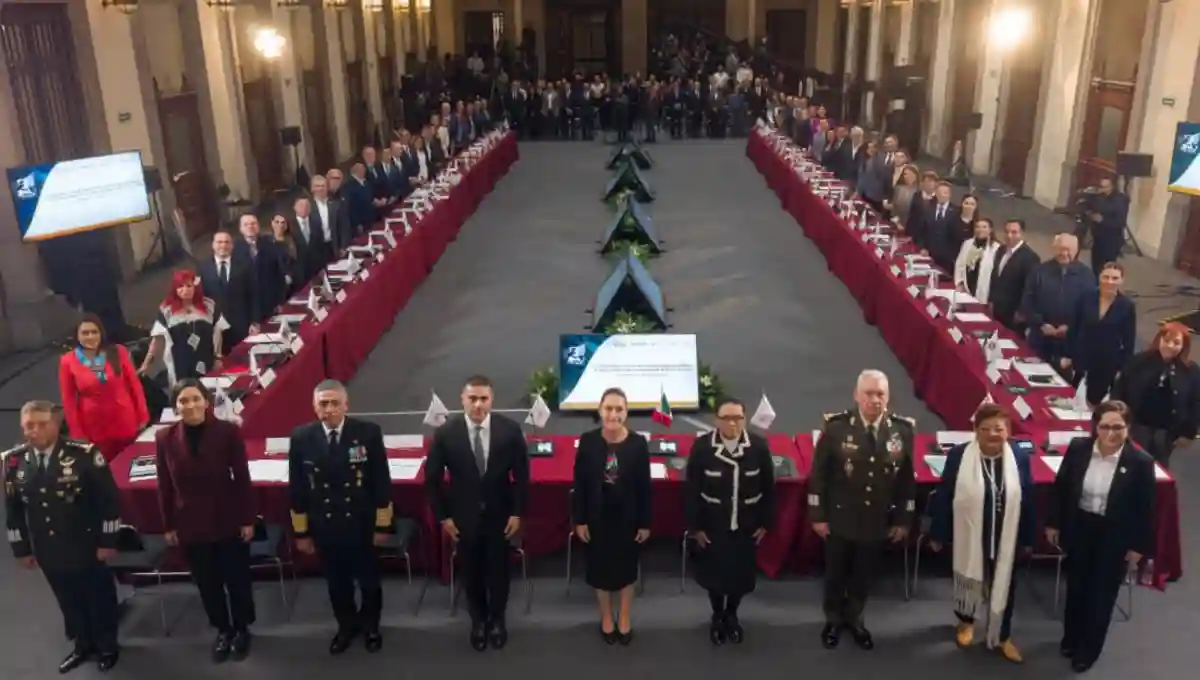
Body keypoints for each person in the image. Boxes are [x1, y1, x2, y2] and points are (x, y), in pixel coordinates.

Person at [4, 401, 121, 673]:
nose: (34, 431)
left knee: (97, 596)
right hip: (47, 547)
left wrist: (108, 540)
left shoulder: (83, 454)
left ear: (55, 425)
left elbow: (108, 500)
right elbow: (13, 509)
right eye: (28, 426)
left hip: (85, 543)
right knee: (67, 598)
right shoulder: (15, 461)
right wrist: (21, 549)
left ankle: (107, 646)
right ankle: (82, 644)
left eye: (41, 424)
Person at [1044, 401, 1156, 673]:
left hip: (1115, 534)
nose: (1111, 433)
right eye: (1105, 427)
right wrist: (1053, 523)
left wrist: (1138, 546)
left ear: (1128, 428)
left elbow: (1145, 508)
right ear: (1095, 426)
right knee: (1076, 587)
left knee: (1102, 595)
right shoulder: (1079, 449)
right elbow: (1061, 488)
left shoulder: (1141, 462)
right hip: (1080, 526)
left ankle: (1088, 650)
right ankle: (1071, 639)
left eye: (1118, 427)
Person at [809, 369, 915, 650]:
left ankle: (855, 618)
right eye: (868, 393)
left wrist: (903, 519)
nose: (874, 400)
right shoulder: (836, 429)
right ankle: (833, 619)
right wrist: (818, 516)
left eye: (880, 394)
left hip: (876, 519)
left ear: (888, 397)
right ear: (856, 395)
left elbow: (906, 480)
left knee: (863, 575)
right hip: (840, 517)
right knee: (835, 574)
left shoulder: (902, 431)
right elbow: (818, 476)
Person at [425, 375, 530, 652]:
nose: (478, 405)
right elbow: (432, 481)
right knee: (471, 573)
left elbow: (522, 477)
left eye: (484, 399)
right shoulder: (446, 433)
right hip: (463, 518)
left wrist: (517, 513)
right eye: (472, 399)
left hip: (501, 516)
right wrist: (444, 517)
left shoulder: (510, 430)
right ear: (462, 399)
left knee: (499, 571)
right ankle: (478, 621)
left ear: (492, 400)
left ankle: (497, 619)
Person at [288, 380, 394, 655]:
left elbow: (381, 482)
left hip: (362, 523)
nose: (330, 409)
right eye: (323, 404)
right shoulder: (301, 437)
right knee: (337, 584)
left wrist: (383, 525)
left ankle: (371, 626)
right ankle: (346, 627)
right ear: (314, 407)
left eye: (335, 403)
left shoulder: (368, 433)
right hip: (325, 525)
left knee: (369, 582)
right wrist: (302, 532)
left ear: (346, 405)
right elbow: (297, 488)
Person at [155, 379, 257, 662]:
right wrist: (168, 524)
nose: (190, 406)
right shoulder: (164, 438)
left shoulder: (227, 432)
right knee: (207, 582)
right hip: (190, 523)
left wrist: (247, 519)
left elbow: (242, 478)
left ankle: (242, 628)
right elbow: (164, 484)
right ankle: (223, 630)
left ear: (206, 401)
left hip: (227, 517)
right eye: (183, 401)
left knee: (237, 579)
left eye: (195, 399)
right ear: (175, 406)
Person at [927, 403, 1034, 664]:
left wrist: (1028, 538)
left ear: (1008, 431)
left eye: (998, 428)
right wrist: (938, 532)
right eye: (985, 429)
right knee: (970, 579)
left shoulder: (1019, 457)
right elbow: (945, 495)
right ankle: (966, 622)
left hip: (1006, 536)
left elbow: (1028, 499)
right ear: (975, 430)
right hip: (972, 534)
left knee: (1006, 586)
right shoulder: (959, 455)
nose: (992, 434)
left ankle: (1003, 635)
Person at [685, 397, 776, 646]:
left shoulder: (758, 447)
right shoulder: (703, 448)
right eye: (727, 418)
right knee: (714, 579)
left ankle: (732, 615)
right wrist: (696, 527)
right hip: (713, 527)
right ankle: (717, 616)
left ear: (745, 419)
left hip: (746, 528)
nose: (733, 423)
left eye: (738, 418)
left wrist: (765, 523)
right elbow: (692, 490)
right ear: (717, 420)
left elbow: (769, 488)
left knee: (739, 579)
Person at [571, 388, 652, 645]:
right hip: (597, 518)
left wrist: (645, 522)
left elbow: (644, 487)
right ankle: (606, 617)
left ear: (626, 412)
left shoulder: (638, 444)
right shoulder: (588, 441)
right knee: (600, 572)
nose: (613, 414)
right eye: (609, 408)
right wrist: (579, 520)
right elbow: (580, 484)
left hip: (627, 520)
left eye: (619, 409)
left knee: (627, 571)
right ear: (600, 410)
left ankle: (624, 616)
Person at [58, 314, 148, 461]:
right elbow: (68, 400)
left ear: (101, 333)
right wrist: (77, 432)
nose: (90, 337)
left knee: (129, 464)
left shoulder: (118, 352)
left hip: (124, 420)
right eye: (85, 333)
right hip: (94, 427)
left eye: (94, 332)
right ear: (77, 336)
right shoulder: (67, 361)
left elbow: (134, 385)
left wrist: (143, 415)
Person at [1109, 322, 1200, 467]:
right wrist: (1116, 417)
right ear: (1159, 339)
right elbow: (1120, 387)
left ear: (1184, 346)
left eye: (1176, 343)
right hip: (1137, 426)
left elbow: (1195, 403)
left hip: (1166, 433)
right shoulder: (1140, 361)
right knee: (1130, 464)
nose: (1169, 346)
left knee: (1158, 468)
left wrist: (1189, 433)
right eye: (1166, 340)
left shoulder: (1191, 371)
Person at [1063, 262, 1137, 405]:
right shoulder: (1086, 297)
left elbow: (1129, 341)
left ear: (1122, 280)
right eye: (1106, 277)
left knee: (1095, 403)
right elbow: (1074, 328)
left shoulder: (1127, 306)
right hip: (1082, 357)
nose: (1110, 282)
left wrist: (1122, 369)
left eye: (1115, 278)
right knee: (1072, 400)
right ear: (1099, 277)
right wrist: (1068, 355)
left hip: (1106, 363)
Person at [140, 269, 230, 384]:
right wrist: (146, 363)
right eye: (180, 286)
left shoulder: (209, 306)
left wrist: (218, 357)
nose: (185, 290)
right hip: (179, 365)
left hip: (207, 361)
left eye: (189, 286)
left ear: (195, 287)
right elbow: (157, 339)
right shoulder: (166, 310)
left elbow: (218, 332)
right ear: (175, 289)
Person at [953, 218, 1001, 304]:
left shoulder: (996, 248)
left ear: (990, 230)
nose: (980, 229)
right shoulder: (967, 243)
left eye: (984, 227)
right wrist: (960, 282)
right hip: (967, 286)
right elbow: (960, 264)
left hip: (984, 290)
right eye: (977, 227)